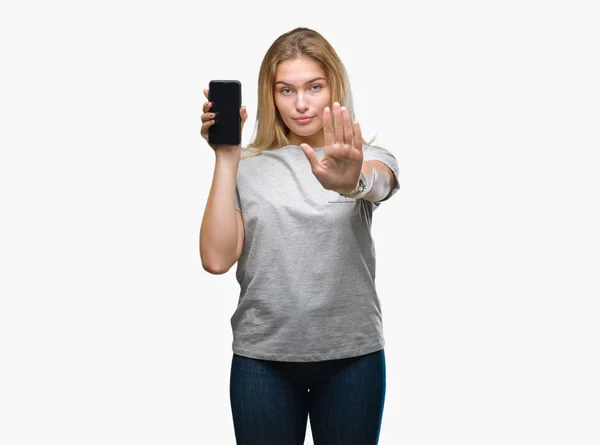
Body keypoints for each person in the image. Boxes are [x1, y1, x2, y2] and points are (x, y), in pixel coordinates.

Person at [199, 27, 400, 445]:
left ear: (334, 87)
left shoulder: (366, 156)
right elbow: (217, 259)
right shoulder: (248, 166)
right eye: (286, 90)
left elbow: (378, 183)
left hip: (352, 358)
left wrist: (351, 182)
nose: (302, 103)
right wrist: (227, 157)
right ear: (269, 96)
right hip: (263, 359)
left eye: (314, 87)